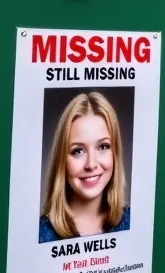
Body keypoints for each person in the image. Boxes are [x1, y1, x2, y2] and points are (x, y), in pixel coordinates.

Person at [39, 91, 130, 242]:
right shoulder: (40, 235)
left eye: (103, 147)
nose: (91, 164)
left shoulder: (133, 222)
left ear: (115, 152)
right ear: (61, 159)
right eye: (78, 151)